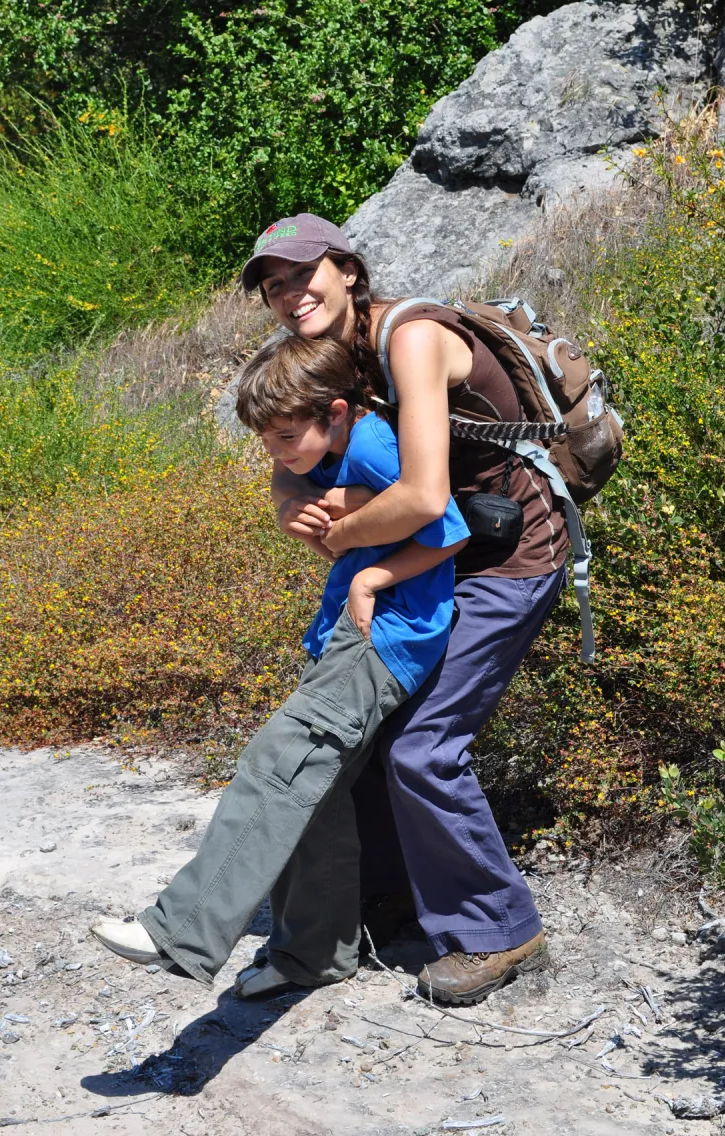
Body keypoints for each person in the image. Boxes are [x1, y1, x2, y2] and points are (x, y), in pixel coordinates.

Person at [237, 212, 567, 1006]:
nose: (290, 294)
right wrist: (289, 506)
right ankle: (388, 899)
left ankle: (500, 929)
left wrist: (344, 533)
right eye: (274, 285)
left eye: (302, 273)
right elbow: (290, 452)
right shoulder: (326, 357)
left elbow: (421, 498)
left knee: (423, 745)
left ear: (347, 270)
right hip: (433, 552)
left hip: (508, 552)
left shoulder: (409, 339)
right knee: (370, 724)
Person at [90, 333, 469, 986]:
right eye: (266, 441)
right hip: (347, 632)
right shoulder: (329, 450)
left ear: (338, 412)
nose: (278, 452)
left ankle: (179, 928)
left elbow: (449, 530)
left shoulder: (372, 444)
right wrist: (305, 506)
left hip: (386, 631)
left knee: (280, 762)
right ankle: (312, 957)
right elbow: (311, 500)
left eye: (288, 436)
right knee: (316, 793)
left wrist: (370, 577)